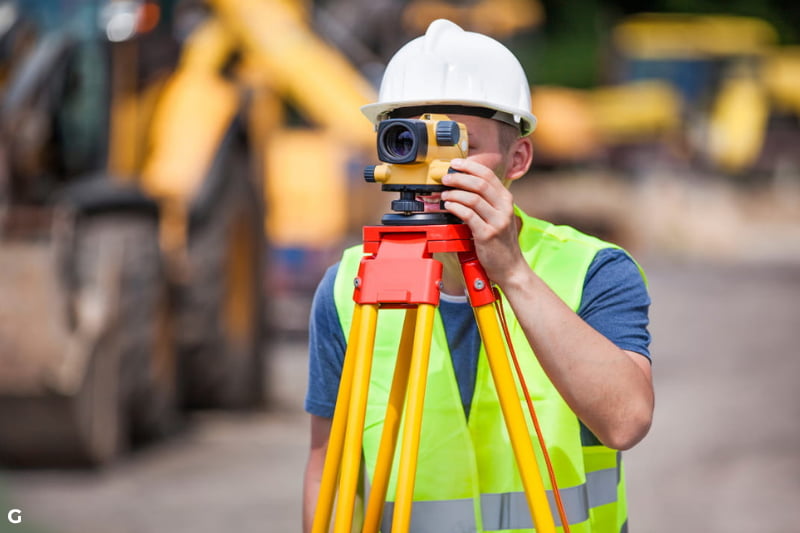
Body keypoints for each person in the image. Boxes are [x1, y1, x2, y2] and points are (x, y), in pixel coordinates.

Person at [303, 18, 653, 533]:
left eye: (454, 140)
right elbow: (326, 468)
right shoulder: (347, 285)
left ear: (519, 158)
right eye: (408, 136)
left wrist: (512, 272)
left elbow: (625, 421)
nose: (432, 163)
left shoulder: (592, 271)